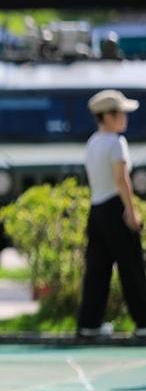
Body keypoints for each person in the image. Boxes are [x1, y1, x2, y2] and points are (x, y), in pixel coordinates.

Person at [77, 90, 146, 340]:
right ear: (106, 116)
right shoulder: (117, 143)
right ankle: (143, 321)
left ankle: (89, 322)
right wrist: (130, 210)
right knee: (132, 266)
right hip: (115, 207)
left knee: (97, 268)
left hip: (97, 209)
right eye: (120, 114)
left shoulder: (93, 141)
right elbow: (121, 179)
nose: (124, 118)